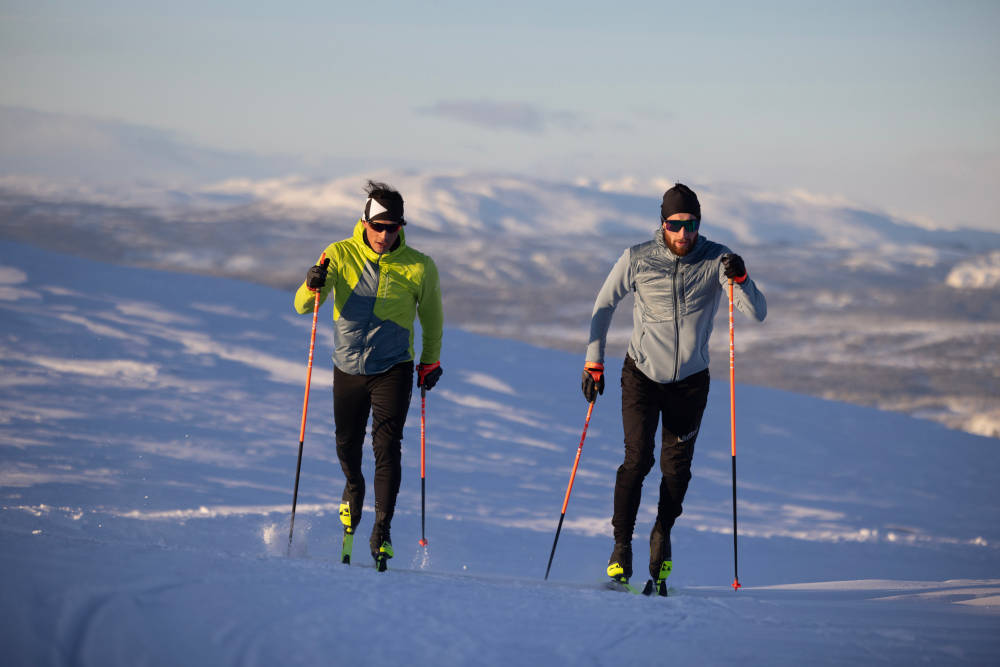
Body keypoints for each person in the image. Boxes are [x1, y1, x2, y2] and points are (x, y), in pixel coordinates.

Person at [582, 182, 766, 593]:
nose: (684, 233)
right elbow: (603, 305)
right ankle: (621, 547)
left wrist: (742, 277)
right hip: (641, 376)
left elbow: (757, 312)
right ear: (662, 223)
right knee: (637, 460)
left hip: (690, 383)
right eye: (675, 224)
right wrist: (594, 360)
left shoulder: (717, 258)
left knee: (676, 470)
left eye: (691, 225)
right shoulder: (637, 258)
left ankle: (662, 532)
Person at [294, 180, 443, 571]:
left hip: (393, 367)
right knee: (346, 444)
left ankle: (382, 528)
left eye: (393, 227)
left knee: (387, 447)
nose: (384, 234)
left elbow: (432, 318)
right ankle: (353, 486)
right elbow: (301, 305)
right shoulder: (338, 254)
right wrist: (312, 284)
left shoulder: (419, 265)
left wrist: (431, 361)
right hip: (347, 367)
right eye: (378, 225)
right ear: (364, 221)